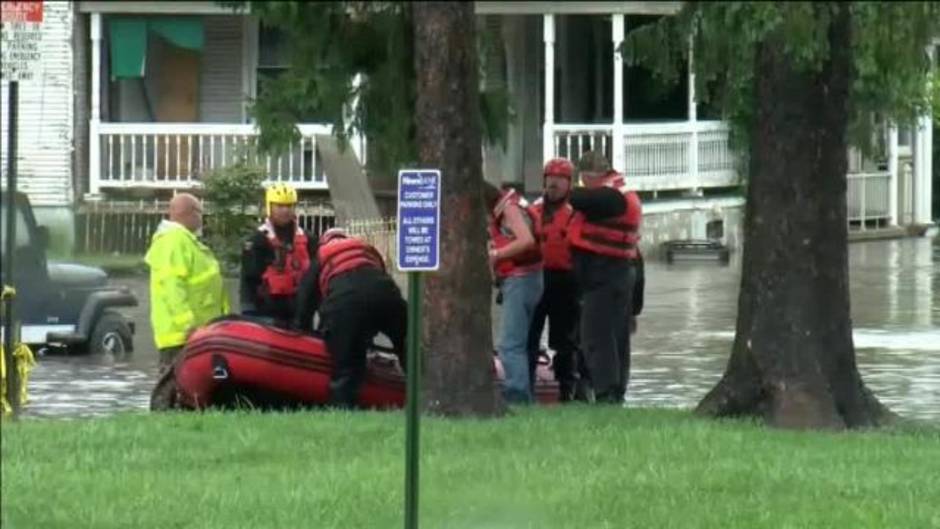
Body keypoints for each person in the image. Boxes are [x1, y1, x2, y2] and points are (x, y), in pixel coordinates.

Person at [293, 228, 408, 409]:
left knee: (345, 369)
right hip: (385, 293)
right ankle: (427, 397)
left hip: (344, 303)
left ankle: (343, 411)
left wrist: (302, 331)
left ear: (324, 242)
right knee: (409, 348)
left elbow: (305, 300)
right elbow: (380, 275)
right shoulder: (364, 248)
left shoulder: (321, 256)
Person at [568, 151, 643, 404]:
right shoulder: (619, 192)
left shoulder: (612, 196)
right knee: (615, 336)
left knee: (596, 335)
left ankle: (607, 393)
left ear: (590, 177)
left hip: (606, 275)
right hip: (615, 274)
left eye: (582, 180)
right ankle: (615, 390)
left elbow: (580, 199)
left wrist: (568, 190)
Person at [145, 193, 229, 372]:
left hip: (201, 334)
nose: (201, 219)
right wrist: (188, 327)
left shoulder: (186, 242)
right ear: (191, 213)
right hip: (181, 337)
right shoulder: (173, 242)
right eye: (200, 214)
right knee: (176, 387)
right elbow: (172, 288)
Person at [526, 158, 583, 402]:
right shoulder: (534, 211)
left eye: (560, 179)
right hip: (537, 277)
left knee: (565, 341)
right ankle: (525, 389)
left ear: (569, 184)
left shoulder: (577, 214)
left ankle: (567, 391)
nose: (553, 183)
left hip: (566, 282)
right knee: (529, 336)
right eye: (550, 178)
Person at [483, 182, 544, 404]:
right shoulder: (510, 205)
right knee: (519, 343)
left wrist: (496, 255)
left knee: (510, 345)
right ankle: (524, 395)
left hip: (521, 280)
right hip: (529, 279)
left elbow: (526, 240)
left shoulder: (509, 209)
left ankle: (517, 397)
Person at [240, 183, 316, 326]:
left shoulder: (308, 239)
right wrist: (248, 310)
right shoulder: (257, 240)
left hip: (301, 311)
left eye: (289, 206)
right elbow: (248, 278)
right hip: (267, 313)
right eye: (279, 206)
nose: (285, 210)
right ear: (270, 207)